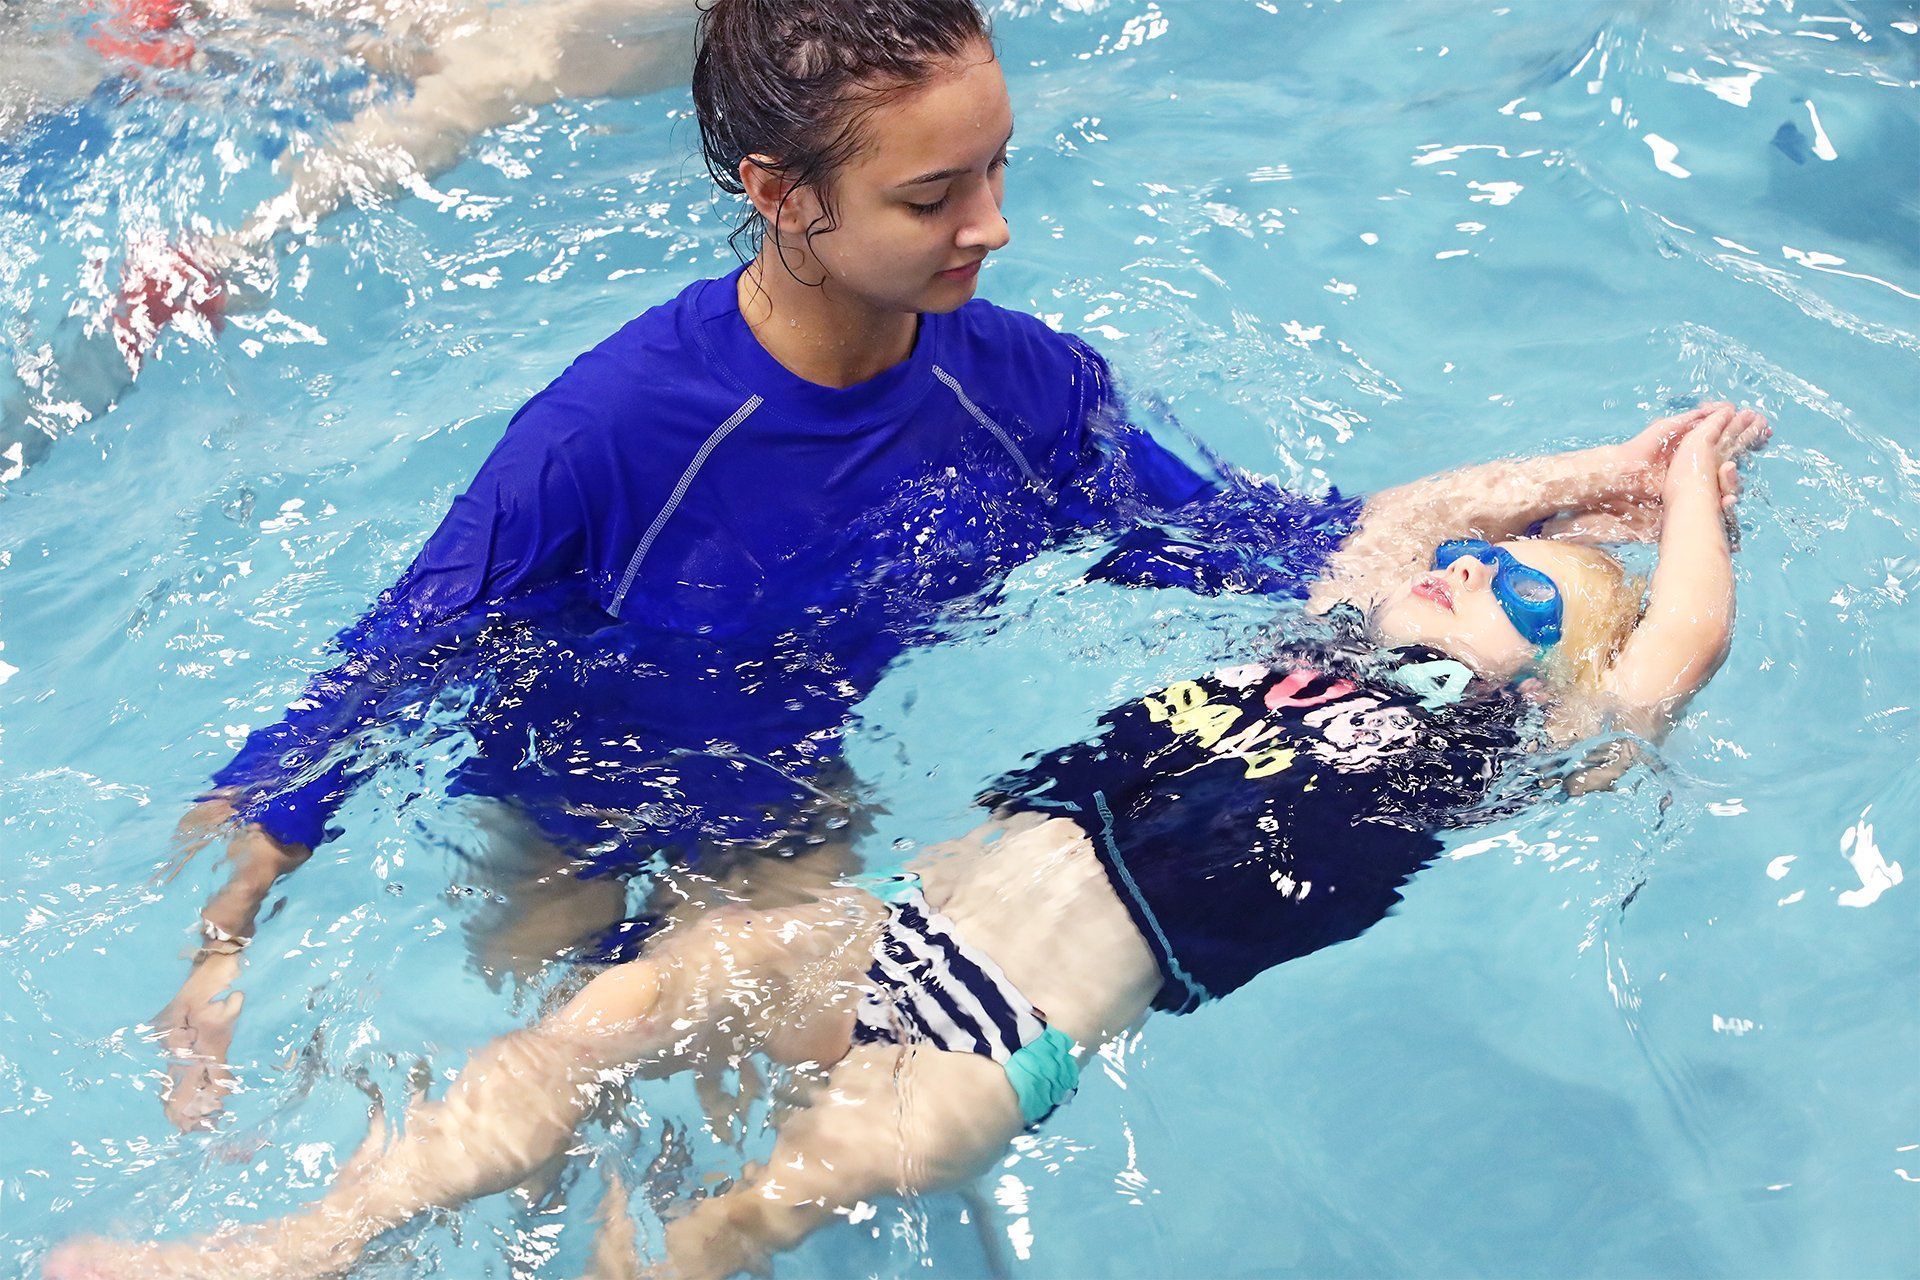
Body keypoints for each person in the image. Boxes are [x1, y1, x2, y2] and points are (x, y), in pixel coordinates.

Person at [44, 403, 1771, 1280]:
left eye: (1524, 589)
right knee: (625, 1006)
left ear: (1563, 671)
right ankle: (272, 1259)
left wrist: (1692, 494)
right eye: (1471, 568)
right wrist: (1594, 466)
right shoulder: (1325, 632)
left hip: (1006, 1040)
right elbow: (1410, 519)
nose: (1473, 575)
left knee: (733, 1223)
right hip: (885, 933)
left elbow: (1673, 644)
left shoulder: (1497, 749)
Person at [146, 0, 1362, 1133]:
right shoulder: (611, 434)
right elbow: (391, 663)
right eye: (934, 195)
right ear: (782, 194)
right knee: (555, 1110)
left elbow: (1215, 536)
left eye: (998, 167)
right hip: (564, 801)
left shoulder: (1013, 389)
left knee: (799, 1117)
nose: (991, 223)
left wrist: (1448, 566)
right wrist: (224, 937)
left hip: (784, 790)